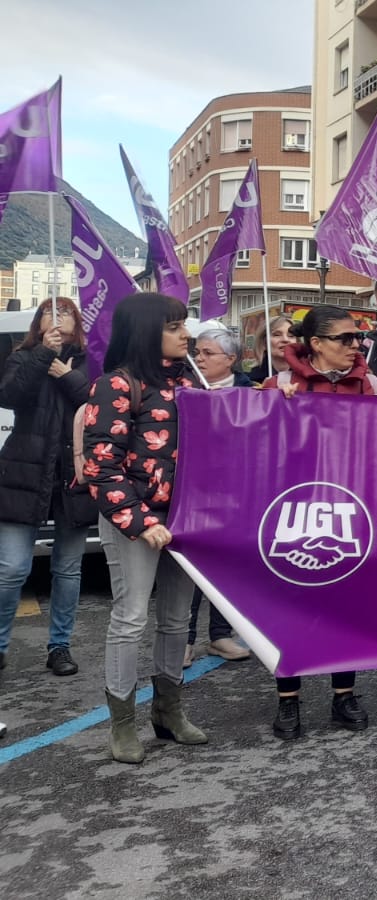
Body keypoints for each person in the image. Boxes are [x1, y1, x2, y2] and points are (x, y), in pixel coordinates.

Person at [264, 306, 377, 739]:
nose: (356, 346)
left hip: (353, 509)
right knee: (289, 606)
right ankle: (288, 700)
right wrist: (276, 413)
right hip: (292, 509)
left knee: (347, 605)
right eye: (345, 339)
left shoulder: (370, 384)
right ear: (315, 345)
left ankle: (343, 695)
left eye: (358, 339)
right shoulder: (279, 384)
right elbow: (254, 444)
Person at [84, 293, 206, 764]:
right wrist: (140, 522)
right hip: (134, 520)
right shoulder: (115, 385)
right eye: (174, 326)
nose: (185, 334)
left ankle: (168, 712)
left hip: (186, 520)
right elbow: (102, 466)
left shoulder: (191, 386)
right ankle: (121, 724)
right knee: (131, 616)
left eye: (185, 325)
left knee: (176, 620)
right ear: (145, 332)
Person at [0, 298, 95, 679]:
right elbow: (9, 396)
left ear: (78, 322)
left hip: (70, 477)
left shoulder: (89, 361)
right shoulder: (22, 357)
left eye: (66, 312)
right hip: (23, 472)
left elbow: (94, 406)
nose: (57, 319)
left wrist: (65, 374)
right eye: (48, 313)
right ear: (38, 325)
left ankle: (60, 646)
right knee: (11, 569)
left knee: (69, 569)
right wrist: (44, 357)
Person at [182, 328, 254, 667]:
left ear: (231, 359)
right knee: (192, 568)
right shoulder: (184, 390)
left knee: (228, 567)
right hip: (193, 489)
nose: (199, 358)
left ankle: (221, 635)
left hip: (236, 490)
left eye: (208, 353)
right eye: (198, 352)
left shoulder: (252, 392)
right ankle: (184, 639)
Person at [246, 314, 295, 385]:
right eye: (277, 335)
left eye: (291, 336)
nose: (285, 339)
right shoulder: (248, 381)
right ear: (264, 343)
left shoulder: (307, 378)